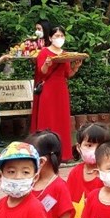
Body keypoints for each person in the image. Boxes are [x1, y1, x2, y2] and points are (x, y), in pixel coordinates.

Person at [29, 23, 81, 162]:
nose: (60, 38)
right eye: (57, 36)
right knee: (48, 119)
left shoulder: (65, 54)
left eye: (62, 36)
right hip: (48, 90)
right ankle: (44, 152)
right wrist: (47, 64)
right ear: (50, 38)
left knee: (62, 120)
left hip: (61, 90)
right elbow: (42, 72)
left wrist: (75, 68)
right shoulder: (44, 52)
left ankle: (63, 154)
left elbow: (67, 74)